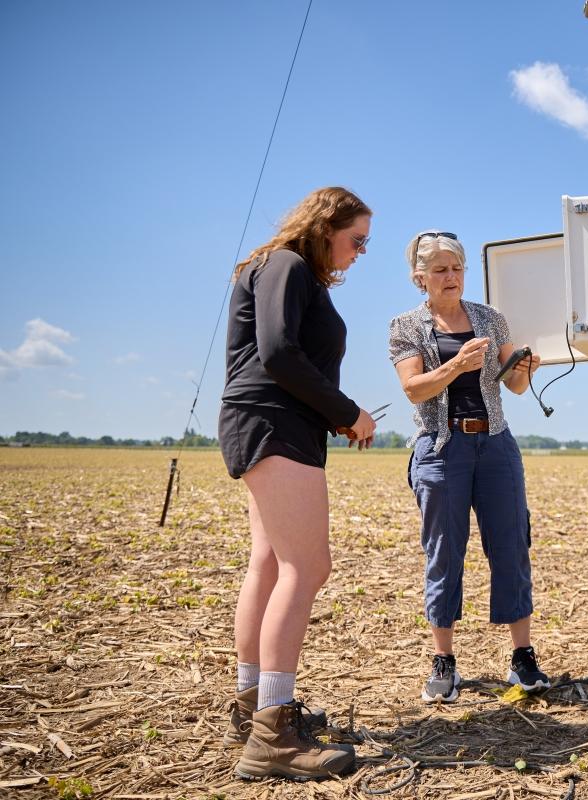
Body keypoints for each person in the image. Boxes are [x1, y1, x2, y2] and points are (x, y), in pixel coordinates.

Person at [218, 186, 376, 781]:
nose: (361, 253)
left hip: (272, 421)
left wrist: (326, 414)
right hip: (272, 423)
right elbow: (280, 353)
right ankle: (273, 735)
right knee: (306, 568)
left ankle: (253, 702)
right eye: (356, 239)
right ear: (324, 226)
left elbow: (282, 359)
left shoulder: (280, 269)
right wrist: (345, 409)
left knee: (269, 560)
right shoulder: (286, 264)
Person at [388, 230, 550, 703]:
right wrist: (456, 365)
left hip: (495, 445)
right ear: (420, 278)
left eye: (456, 268)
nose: (451, 277)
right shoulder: (405, 327)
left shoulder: (489, 319)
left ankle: (522, 657)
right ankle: (444, 661)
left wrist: (524, 368)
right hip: (441, 451)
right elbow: (415, 389)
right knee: (444, 553)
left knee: (511, 548)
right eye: (439, 269)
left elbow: (514, 387)